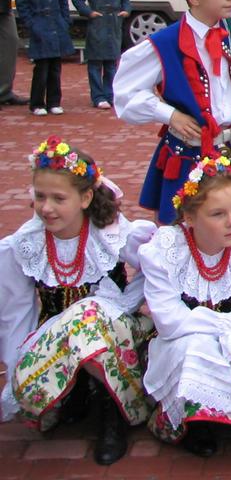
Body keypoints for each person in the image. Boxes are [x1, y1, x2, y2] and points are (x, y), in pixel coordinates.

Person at [0, 137, 155, 465]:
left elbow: (155, 267)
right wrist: (18, 367)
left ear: (85, 198)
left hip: (112, 333)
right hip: (59, 337)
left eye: (59, 198)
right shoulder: (25, 243)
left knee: (89, 316)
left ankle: (113, 412)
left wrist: (123, 303)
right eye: (40, 196)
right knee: (34, 392)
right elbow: (16, 312)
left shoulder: (110, 233)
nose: (47, 207)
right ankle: (78, 389)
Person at [140, 155, 231, 457]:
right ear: (190, 217)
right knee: (196, 350)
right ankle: (192, 422)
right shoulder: (165, 249)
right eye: (217, 214)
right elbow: (171, 322)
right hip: (182, 343)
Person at [113, 0, 231, 225]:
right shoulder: (166, 43)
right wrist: (169, 115)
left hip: (229, 155)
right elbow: (125, 93)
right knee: (182, 231)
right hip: (187, 156)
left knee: (227, 229)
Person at [16, 0, 74, 115]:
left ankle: (54, 102)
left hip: (56, 24)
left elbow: (63, 0)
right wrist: (32, 24)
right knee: (41, 68)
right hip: (40, 25)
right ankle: (37, 103)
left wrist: (65, 20)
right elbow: (22, 4)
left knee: (56, 67)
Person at [72, 0, 131, 109]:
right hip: (98, 24)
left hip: (114, 24)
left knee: (111, 63)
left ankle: (110, 95)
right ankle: (98, 96)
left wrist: (126, 10)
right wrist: (89, 12)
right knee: (96, 63)